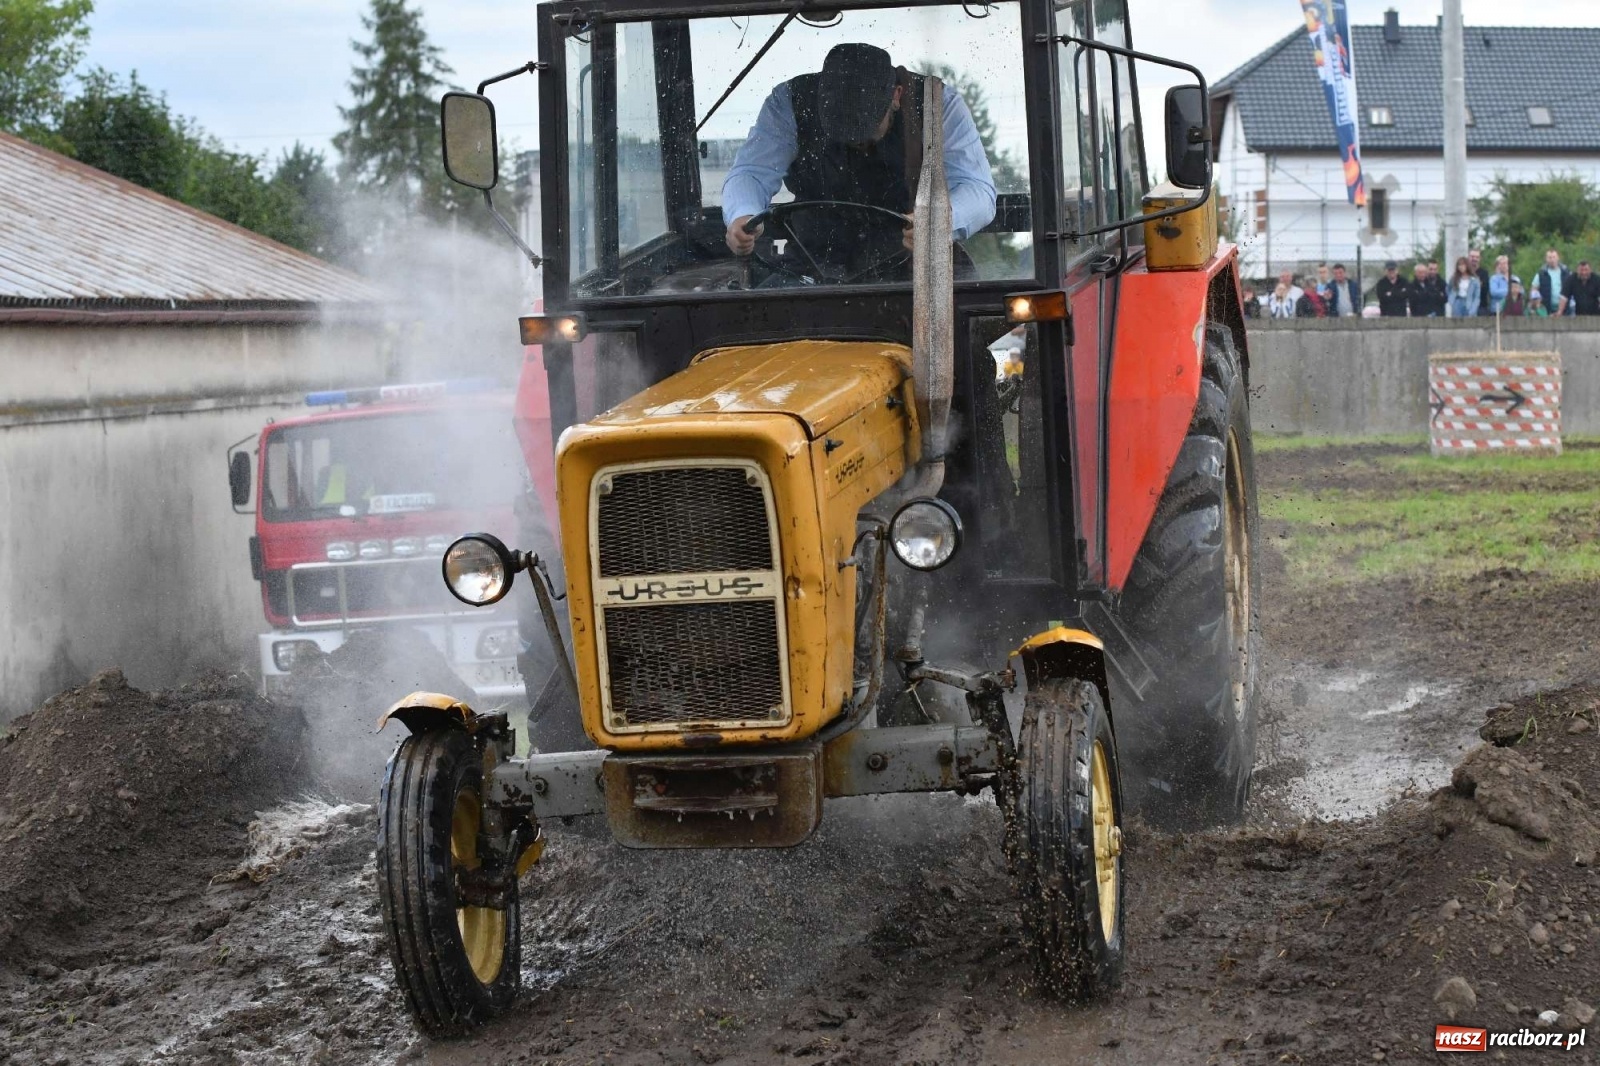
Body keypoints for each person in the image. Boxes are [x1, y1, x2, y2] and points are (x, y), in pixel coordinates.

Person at [722, 43, 997, 276]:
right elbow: (753, 172)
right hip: (811, 262)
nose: (855, 144)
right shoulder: (790, 102)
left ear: (896, 96)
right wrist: (742, 214)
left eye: (865, 132)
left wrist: (938, 222)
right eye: (841, 134)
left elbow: (977, 188)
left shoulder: (937, 105)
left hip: (911, 264)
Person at [1531, 249, 1574, 317]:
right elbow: (1534, 289)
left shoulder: (1567, 272)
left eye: (1554, 257)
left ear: (1558, 258)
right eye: (1549, 257)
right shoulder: (1541, 274)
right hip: (1546, 310)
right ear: (1546, 259)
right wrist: (1536, 303)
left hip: (1566, 309)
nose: (1552, 260)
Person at [1467, 249, 1492, 316]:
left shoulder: (1484, 273)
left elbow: (1484, 290)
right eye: (1472, 256)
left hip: (1481, 307)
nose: (1474, 259)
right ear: (1468, 257)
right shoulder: (1464, 273)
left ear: (1480, 258)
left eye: (1477, 257)